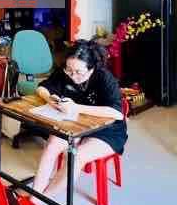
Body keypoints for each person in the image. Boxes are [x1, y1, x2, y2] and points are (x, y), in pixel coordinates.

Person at [31, 39, 127, 196]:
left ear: (91, 69)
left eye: (78, 72)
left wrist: (76, 107)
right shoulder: (67, 71)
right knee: (52, 145)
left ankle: (42, 198)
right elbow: (42, 87)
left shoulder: (104, 77)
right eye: (69, 70)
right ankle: (35, 194)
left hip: (107, 129)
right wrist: (50, 99)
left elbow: (117, 113)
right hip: (76, 123)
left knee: (76, 156)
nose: (73, 76)